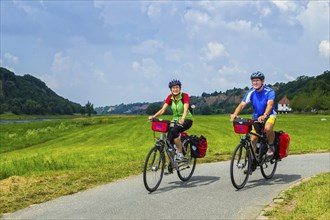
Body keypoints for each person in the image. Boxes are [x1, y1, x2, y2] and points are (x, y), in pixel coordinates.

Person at [230, 71, 276, 158]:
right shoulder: (251, 92)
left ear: (262, 81)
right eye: (253, 81)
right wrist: (235, 114)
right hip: (256, 116)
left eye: (257, 80)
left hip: (269, 115)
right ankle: (252, 159)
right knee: (253, 138)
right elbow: (242, 104)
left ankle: (270, 146)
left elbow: (270, 104)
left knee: (268, 128)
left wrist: (265, 115)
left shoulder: (269, 91)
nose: (255, 82)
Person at [148, 79, 193, 164]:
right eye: (173, 88)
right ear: (171, 89)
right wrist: (153, 117)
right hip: (175, 121)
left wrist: (183, 119)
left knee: (174, 130)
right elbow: (162, 110)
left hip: (187, 120)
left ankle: (180, 154)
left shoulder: (185, 96)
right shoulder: (170, 98)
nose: (175, 89)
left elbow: (185, 109)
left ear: (180, 88)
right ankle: (171, 164)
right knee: (168, 142)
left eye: (177, 87)